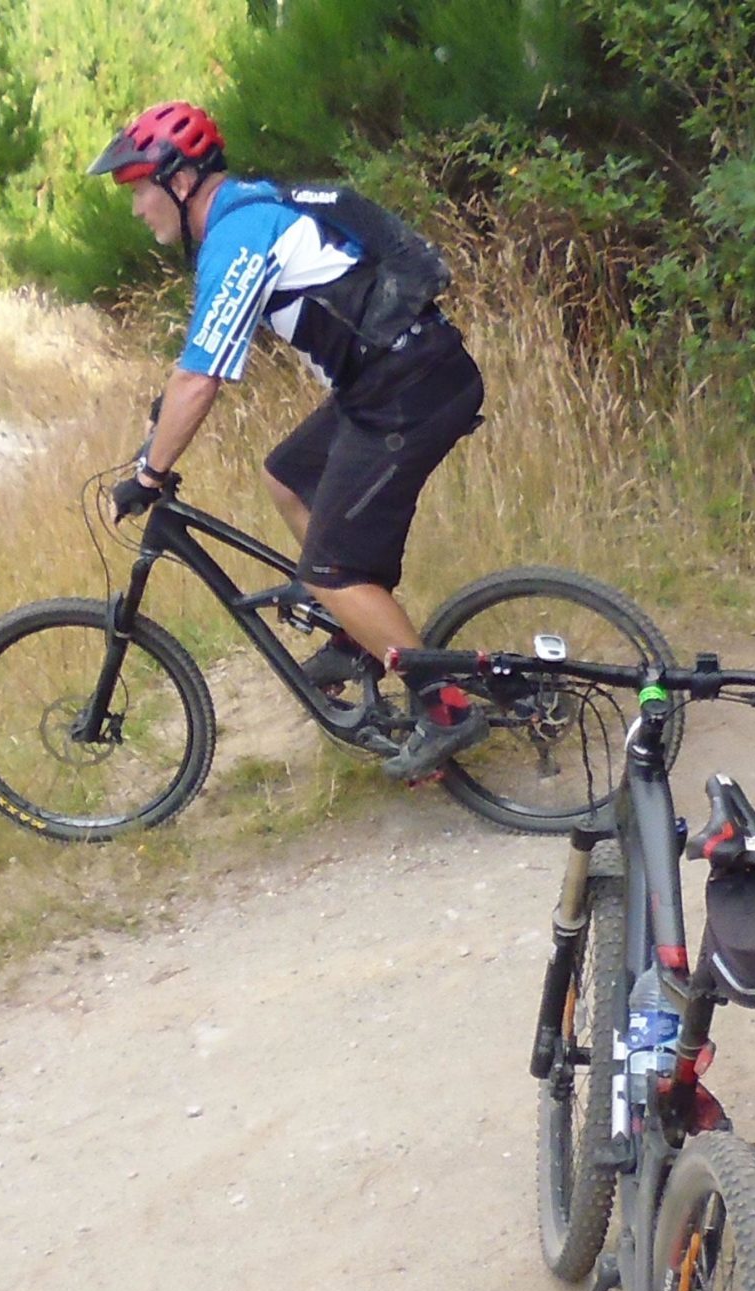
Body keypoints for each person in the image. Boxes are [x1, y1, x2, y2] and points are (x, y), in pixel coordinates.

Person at [90, 100, 489, 783]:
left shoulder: (240, 233)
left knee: (331, 571)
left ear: (179, 181)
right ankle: (360, 639)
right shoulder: (246, 209)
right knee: (288, 477)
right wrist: (165, 419)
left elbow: (203, 380)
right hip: (392, 380)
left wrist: (150, 475)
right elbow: (196, 361)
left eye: (138, 189)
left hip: (410, 390)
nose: (136, 208)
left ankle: (444, 707)